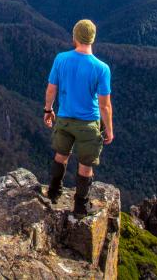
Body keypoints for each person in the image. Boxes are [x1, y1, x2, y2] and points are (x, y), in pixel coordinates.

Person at [43, 19, 113, 217]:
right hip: (88, 123)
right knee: (85, 165)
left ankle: (54, 191)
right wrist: (108, 128)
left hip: (64, 119)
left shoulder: (61, 59)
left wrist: (48, 110)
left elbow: (51, 89)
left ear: (74, 37)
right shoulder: (101, 68)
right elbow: (104, 105)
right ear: (92, 38)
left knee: (60, 156)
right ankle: (80, 206)